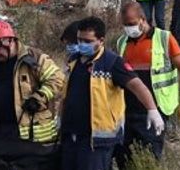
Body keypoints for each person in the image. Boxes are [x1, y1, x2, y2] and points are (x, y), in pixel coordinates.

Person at [59, 17, 164, 170]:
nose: (82, 45)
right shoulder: (74, 61)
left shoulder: (112, 63)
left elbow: (136, 85)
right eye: (80, 40)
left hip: (96, 142)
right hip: (71, 136)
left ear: (101, 40)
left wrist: (152, 109)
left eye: (88, 41)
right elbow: (67, 93)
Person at [114, 2, 180, 168]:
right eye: (125, 25)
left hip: (156, 109)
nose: (128, 28)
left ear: (143, 20)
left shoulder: (164, 38)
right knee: (124, 157)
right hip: (128, 109)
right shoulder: (122, 42)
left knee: (150, 154)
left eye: (131, 24)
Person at [0, 21, 64, 144]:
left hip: (32, 134)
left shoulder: (34, 58)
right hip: (0, 130)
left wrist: (39, 97)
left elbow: (57, 78)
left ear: (9, 41)